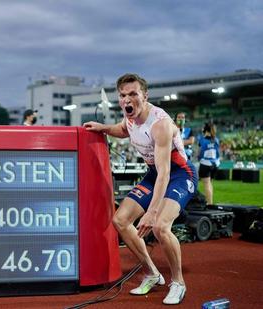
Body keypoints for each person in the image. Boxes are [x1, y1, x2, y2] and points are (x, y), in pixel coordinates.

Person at [84, 73, 197, 305]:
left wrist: (152, 211)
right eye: (123, 95)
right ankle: (153, 273)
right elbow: (123, 129)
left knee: (160, 227)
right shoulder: (130, 117)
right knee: (120, 220)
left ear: (145, 96)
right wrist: (102, 128)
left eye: (133, 94)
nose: (127, 99)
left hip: (178, 175)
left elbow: (165, 174)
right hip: (155, 174)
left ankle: (178, 282)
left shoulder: (160, 124)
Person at [198, 123, 220, 205]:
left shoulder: (202, 139)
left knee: (206, 184)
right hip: (215, 164)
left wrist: (198, 158)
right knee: (210, 183)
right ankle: (211, 202)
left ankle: (209, 203)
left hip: (205, 164)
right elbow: (218, 153)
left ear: (205, 130)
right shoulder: (216, 139)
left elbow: (200, 152)